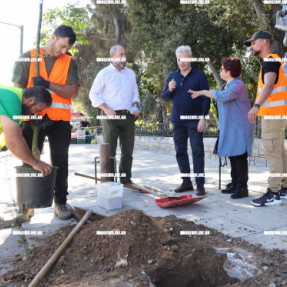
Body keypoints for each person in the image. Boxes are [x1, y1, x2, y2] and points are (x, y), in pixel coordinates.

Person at [12, 25, 80, 219]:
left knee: (61, 161)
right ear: (53, 37)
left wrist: (46, 84)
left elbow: (73, 92)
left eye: (67, 48)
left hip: (59, 120)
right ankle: (26, 205)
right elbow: (17, 91)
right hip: (32, 117)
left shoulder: (69, 62)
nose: (63, 51)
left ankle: (60, 203)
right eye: (62, 45)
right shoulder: (28, 57)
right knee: (28, 159)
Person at [190, 58, 254, 199]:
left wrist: (202, 92)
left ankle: (243, 187)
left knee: (240, 156)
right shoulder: (226, 85)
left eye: (221, 69)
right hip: (230, 126)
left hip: (240, 127)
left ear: (228, 72)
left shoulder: (238, 85)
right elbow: (224, 107)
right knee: (232, 154)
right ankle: (235, 183)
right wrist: (221, 123)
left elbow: (224, 97)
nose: (220, 71)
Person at [245, 31, 287, 207]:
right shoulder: (274, 61)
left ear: (263, 42)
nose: (251, 47)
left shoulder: (270, 61)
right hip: (278, 115)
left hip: (272, 116)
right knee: (280, 152)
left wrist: (256, 105)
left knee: (273, 153)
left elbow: (269, 85)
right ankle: (284, 189)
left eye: (253, 43)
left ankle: (273, 193)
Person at [89, 45, 140, 186]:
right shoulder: (104, 74)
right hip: (110, 117)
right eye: (120, 54)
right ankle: (110, 182)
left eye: (125, 54)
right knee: (109, 152)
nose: (123, 57)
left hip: (128, 116)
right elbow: (93, 94)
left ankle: (126, 180)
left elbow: (135, 93)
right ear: (112, 56)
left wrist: (136, 104)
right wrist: (105, 108)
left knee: (128, 151)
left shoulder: (131, 74)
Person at [161, 45, 210, 195]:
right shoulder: (172, 76)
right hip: (177, 121)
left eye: (184, 59)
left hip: (195, 120)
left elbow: (206, 99)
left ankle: (200, 183)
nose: (181, 62)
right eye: (179, 59)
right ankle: (186, 182)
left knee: (197, 151)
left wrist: (203, 118)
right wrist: (169, 89)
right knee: (180, 151)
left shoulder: (199, 75)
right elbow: (164, 97)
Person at [0, 85, 52, 176]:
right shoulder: (11, 98)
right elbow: (13, 143)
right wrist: (35, 163)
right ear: (30, 100)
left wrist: (35, 161)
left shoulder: (19, 108)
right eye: (37, 110)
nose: (35, 114)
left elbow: (19, 137)